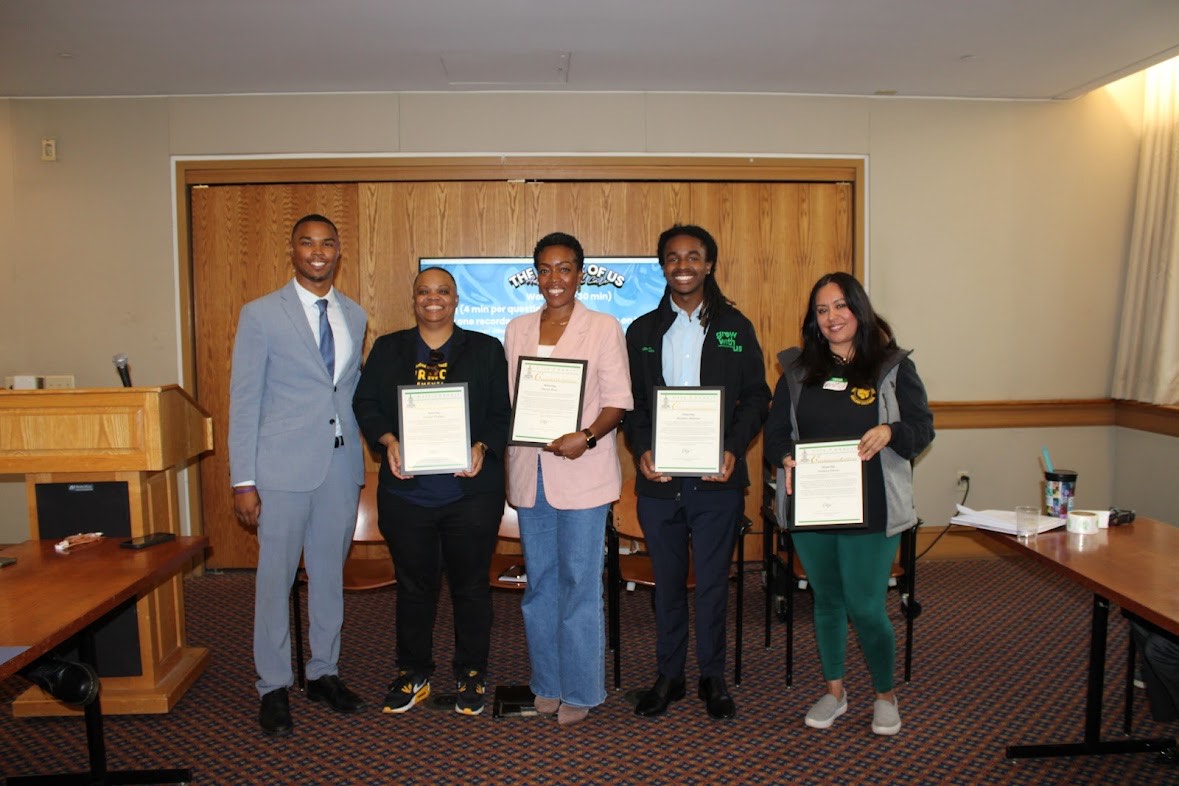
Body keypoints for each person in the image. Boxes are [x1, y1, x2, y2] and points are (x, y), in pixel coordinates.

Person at [763, 271, 933, 736]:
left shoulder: (892, 367)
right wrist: (784, 456)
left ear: (858, 309)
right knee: (828, 601)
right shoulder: (797, 372)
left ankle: (884, 694)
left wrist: (892, 432)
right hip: (814, 506)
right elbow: (777, 434)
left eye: (840, 306)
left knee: (865, 605)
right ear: (813, 321)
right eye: (822, 310)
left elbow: (921, 430)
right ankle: (835, 691)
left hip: (873, 508)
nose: (832, 317)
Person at [229, 213, 368, 737]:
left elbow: (346, 392)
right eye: (307, 242)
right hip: (280, 469)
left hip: (338, 467)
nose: (317, 251)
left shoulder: (354, 315)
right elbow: (244, 400)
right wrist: (243, 479)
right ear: (292, 251)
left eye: (327, 243)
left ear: (338, 251)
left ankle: (324, 673)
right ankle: (273, 685)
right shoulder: (261, 314)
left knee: (329, 576)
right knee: (275, 579)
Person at [624, 224, 770, 720]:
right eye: (672, 257)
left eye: (693, 256)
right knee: (666, 584)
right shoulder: (642, 330)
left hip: (716, 481)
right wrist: (641, 448)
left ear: (709, 264)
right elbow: (633, 404)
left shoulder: (735, 325)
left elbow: (757, 396)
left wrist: (731, 447)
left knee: (711, 583)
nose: (682, 265)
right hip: (659, 483)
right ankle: (669, 676)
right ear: (662, 266)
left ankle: (712, 676)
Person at [353, 267, 510, 716]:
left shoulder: (484, 349)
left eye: (443, 291)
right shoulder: (389, 349)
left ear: (456, 300)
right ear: (414, 299)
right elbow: (365, 404)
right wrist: (388, 440)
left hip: (471, 495)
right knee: (414, 587)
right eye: (424, 291)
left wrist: (482, 445)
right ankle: (414, 672)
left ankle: (472, 672)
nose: (433, 299)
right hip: (408, 496)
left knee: (471, 587)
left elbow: (502, 412)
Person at [504, 232, 633, 727]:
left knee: (580, 583)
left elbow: (618, 400)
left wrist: (587, 435)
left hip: (583, 470)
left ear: (580, 273)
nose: (553, 279)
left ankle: (582, 687)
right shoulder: (516, 329)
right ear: (535, 274)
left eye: (564, 268)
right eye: (544, 269)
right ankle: (548, 682)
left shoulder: (602, 327)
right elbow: (513, 402)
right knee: (540, 585)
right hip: (530, 472)